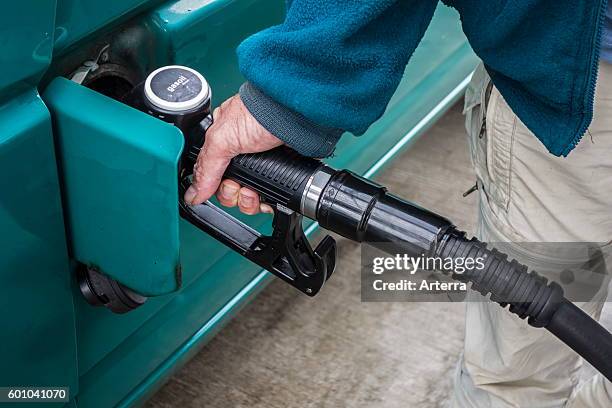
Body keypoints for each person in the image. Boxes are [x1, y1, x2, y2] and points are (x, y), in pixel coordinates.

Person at [184, 1, 612, 406]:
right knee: (525, 366)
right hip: (579, 86)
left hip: (575, 78)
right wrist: (287, 102)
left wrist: (285, 99)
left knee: (518, 378)